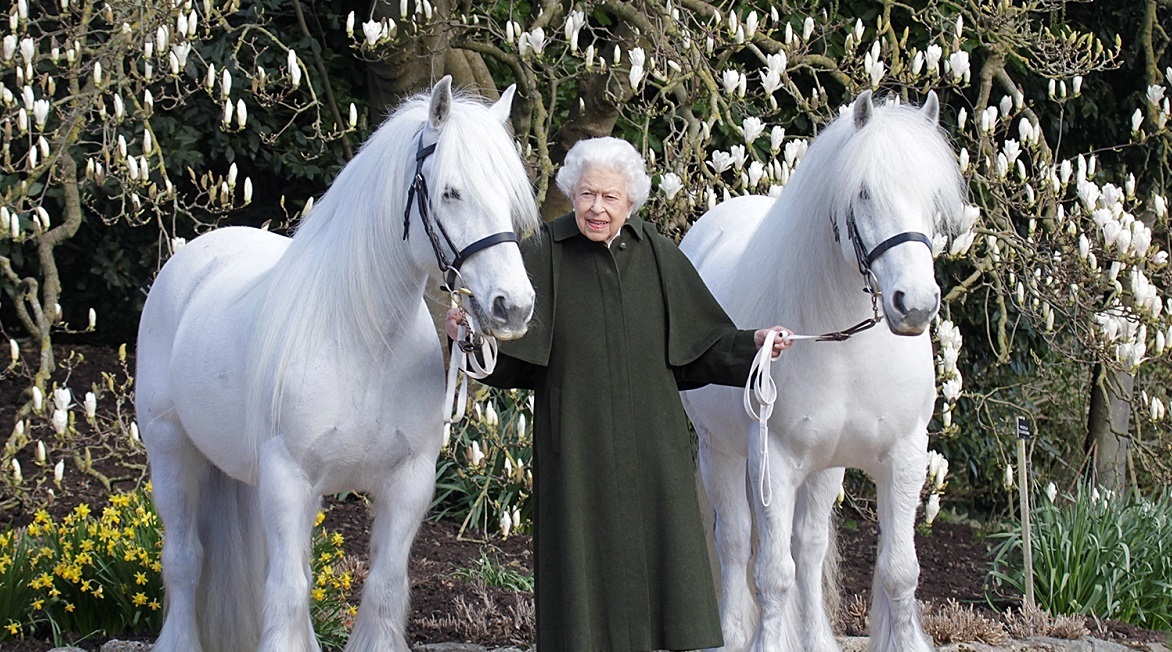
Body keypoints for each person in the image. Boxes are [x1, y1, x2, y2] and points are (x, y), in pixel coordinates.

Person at [445, 136, 791, 651]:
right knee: (581, 586)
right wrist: (468, 337)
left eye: (609, 197)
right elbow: (510, 355)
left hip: (652, 451)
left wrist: (754, 344)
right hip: (576, 451)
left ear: (630, 202)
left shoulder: (656, 254)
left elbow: (701, 345)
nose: (597, 208)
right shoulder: (544, 251)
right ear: (571, 194)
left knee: (663, 577)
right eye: (587, 195)